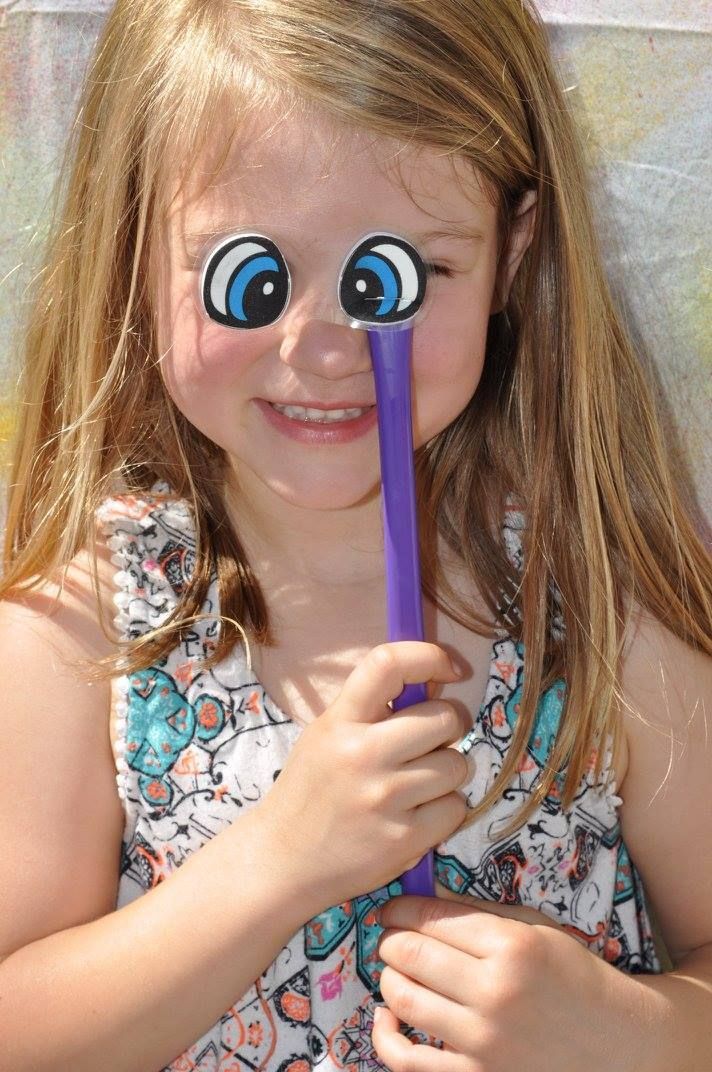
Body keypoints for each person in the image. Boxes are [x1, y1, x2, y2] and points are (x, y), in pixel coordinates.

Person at [0, 0, 710, 1068]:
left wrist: (631, 1034)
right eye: (252, 278)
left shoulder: (600, 599)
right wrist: (279, 859)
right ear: (138, 243)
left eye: (391, 280)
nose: (326, 346)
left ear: (512, 251)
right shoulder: (80, 626)